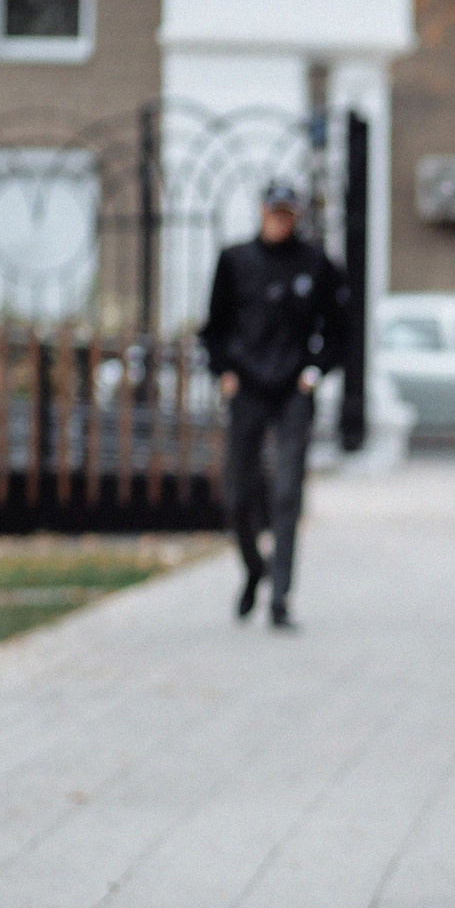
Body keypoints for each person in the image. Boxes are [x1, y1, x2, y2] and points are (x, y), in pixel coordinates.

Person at [202, 182, 350, 628]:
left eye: (288, 214)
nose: (280, 221)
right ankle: (254, 568)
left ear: (297, 217)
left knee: (287, 493)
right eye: (274, 213)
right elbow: (214, 327)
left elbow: (340, 331)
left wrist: (314, 372)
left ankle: (280, 598)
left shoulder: (316, 264)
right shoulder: (235, 261)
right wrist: (224, 370)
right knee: (238, 494)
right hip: (246, 387)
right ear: (262, 213)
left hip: (292, 392)